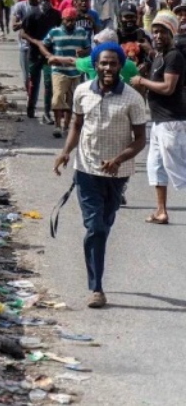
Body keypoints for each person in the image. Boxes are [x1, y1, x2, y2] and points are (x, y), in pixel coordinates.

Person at [54, 43, 149, 309]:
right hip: (86, 170)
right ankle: (96, 288)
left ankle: (97, 263)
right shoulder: (83, 91)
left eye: (113, 63)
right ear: (95, 65)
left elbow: (140, 139)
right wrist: (65, 152)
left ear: (120, 66)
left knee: (104, 225)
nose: (108, 68)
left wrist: (118, 160)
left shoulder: (133, 98)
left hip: (118, 174)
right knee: (95, 226)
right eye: (103, 63)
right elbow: (76, 124)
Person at [129, 12, 186, 225]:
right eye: (155, 31)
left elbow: (169, 87)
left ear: (171, 33)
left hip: (172, 122)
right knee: (155, 167)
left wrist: (143, 80)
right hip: (159, 122)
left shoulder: (174, 56)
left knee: (179, 169)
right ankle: (161, 211)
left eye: (163, 31)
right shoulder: (159, 56)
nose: (158, 35)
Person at [38, 8, 92, 139]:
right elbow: (42, 44)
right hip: (59, 70)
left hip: (76, 71)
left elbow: (88, 48)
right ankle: (57, 125)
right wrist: (49, 55)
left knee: (71, 99)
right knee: (57, 97)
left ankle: (66, 126)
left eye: (72, 20)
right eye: (67, 20)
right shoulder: (54, 32)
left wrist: (83, 53)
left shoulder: (81, 32)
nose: (70, 23)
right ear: (63, 19)